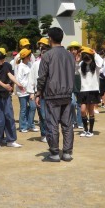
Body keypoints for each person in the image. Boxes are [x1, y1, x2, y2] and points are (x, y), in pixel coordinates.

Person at [36, 27, 75, 162]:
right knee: (67, 124)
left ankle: (54, 153)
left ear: (50, 39)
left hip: (52, 94)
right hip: (67, 94)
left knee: (52, 123)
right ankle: (67, 152)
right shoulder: (70, 55)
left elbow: (42, 77)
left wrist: (38, 93)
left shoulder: (47, 55)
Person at [0, 50, 22, 149]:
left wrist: (18, 84)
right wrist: (5, 86)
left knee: (9, 118)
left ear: (2, 61)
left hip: (6, 97)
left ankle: (11, 140)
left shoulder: (6, 66)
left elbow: (10, 75)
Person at [76, 47, 104, 135]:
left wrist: (95, 53)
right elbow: (75, 71)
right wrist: (77, 61)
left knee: (91, 111)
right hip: (83, 90)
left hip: (93, 90)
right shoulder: (81, 64)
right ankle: (85, 129)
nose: (86, 58)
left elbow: (101, 63)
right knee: (82, 110)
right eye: (85, 57)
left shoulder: (96, 65)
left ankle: (90, 131)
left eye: (88, 56)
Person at [15, 48, 37, 132]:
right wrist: (25, 86)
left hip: (30, 90)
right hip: (23, 91)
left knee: (33, 106)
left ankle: (30, 124)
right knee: (23, 109)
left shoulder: (30, 64)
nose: (30, 57)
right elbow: (19, 79)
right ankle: (23, 126)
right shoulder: (20, 66)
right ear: (25, 57)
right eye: (29, 56)